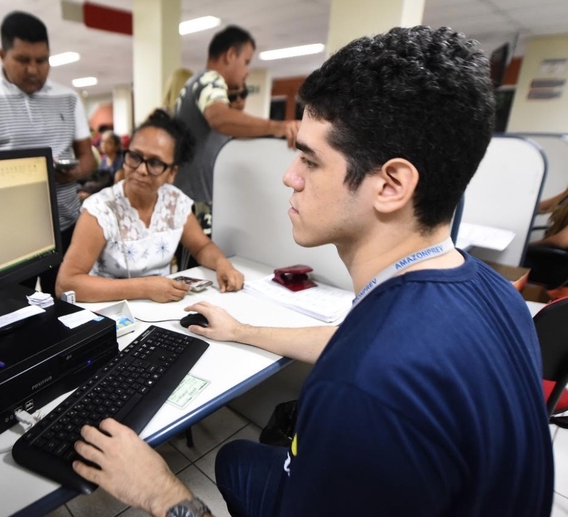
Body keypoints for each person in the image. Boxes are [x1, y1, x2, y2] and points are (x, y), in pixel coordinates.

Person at [68, 26, 554, 517]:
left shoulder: (359, 389)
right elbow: (353, 339)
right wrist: (243, 330)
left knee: (229, 463)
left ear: (390, 185)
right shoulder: (497, 293)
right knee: (237, 457)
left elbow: (364, 363)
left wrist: (161, 493)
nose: (289, 176)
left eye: (309, 158)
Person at [0, 10, 94, 296]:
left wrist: (72, 173)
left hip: (65, 226)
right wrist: (28, 176)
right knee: (11, 316)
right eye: (23, 60)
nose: (33, 70)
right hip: (7, 239)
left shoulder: (68, 97)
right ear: (2, 54)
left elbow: (88, 158)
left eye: (42, 61)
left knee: (71, 310)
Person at [55, 110, 244, 303]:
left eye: (155, 163)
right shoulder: (100, 210)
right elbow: (66, 284)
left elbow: (201, 246)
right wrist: (144, 287)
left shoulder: (175, 202)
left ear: (172, 173)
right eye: (135, 157)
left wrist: (222, 264)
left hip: (160, 308)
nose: (141, 170)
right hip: (111, 313)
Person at [173, 25, 300, 227]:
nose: (247, 71)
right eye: (246, 62)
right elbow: (220, 118)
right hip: (196, 206)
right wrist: (279, 127)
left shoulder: (193, 85)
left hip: (187, 201)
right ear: (231, 55)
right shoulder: (210, 79)